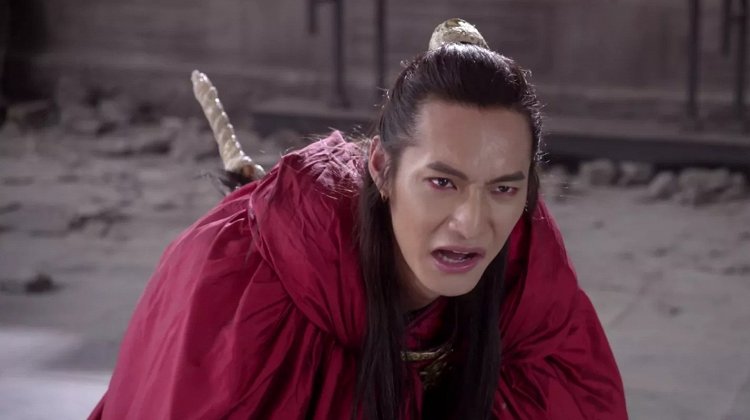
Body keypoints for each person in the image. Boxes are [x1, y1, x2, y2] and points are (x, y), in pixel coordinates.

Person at [89, 19, 627, 420]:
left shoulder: (529, 271)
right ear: (381, 168)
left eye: (503, 188)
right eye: (442, 182)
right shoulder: (240, 290)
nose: (471, 224)